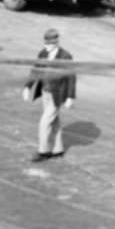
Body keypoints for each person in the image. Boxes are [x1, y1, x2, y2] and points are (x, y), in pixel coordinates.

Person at [23, 28, 76, 162]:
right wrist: (27, 87)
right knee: (54, 122)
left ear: (56, 43)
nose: (46, 46)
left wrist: (70, 96)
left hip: (57, 94)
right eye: (45, 43)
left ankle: (43, 151)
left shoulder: (65, 56)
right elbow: (35, 70)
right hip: (45, 92)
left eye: (49, 44)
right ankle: (58, 149)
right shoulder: (43, 53)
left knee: (45, 122)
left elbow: (71, 77)